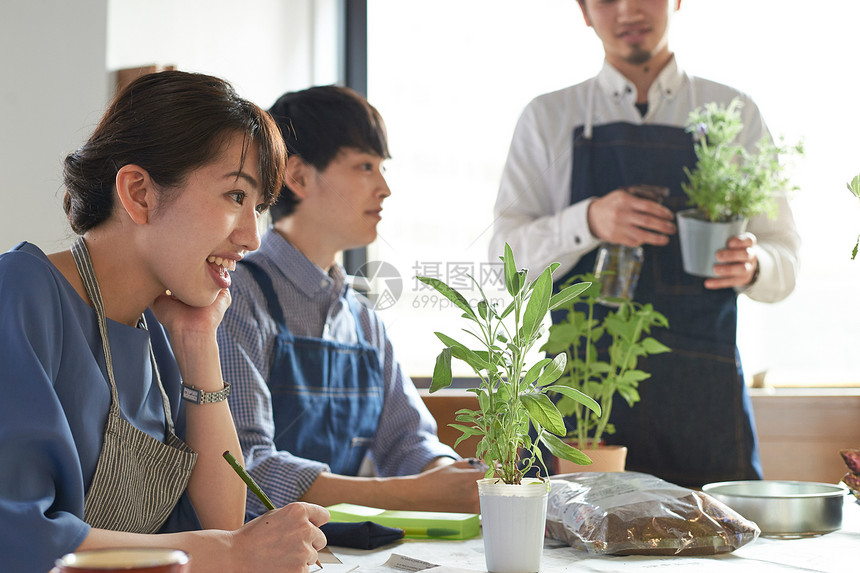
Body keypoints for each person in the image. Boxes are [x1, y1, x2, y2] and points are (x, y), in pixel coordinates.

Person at [0, 70, 329, 573]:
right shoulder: (18, 295)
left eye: (259, 207)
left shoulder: (158, 332)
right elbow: (18, 538)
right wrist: (232, 552)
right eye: (236, 197)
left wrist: (199, 345)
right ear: (139, 193)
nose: (252, 237)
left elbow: (219, 522)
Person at [489, 0, 800, 488]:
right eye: (607, 0)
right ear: (584, 11)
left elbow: (787, 256)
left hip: (704, 398)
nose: (628, 9)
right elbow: (505, 263)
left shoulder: (734, 113)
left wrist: (755, 263)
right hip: (585, 399)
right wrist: (588, 219)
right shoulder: (549, 117)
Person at [217, 85, 483, 518]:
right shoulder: (235, 297)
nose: (384, 189)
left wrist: (450, 477)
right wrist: (415, 495)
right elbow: (248, 469)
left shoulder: (364, 320)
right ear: (299, 176)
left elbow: (407, 442)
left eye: (382, 168)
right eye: (365, 166)